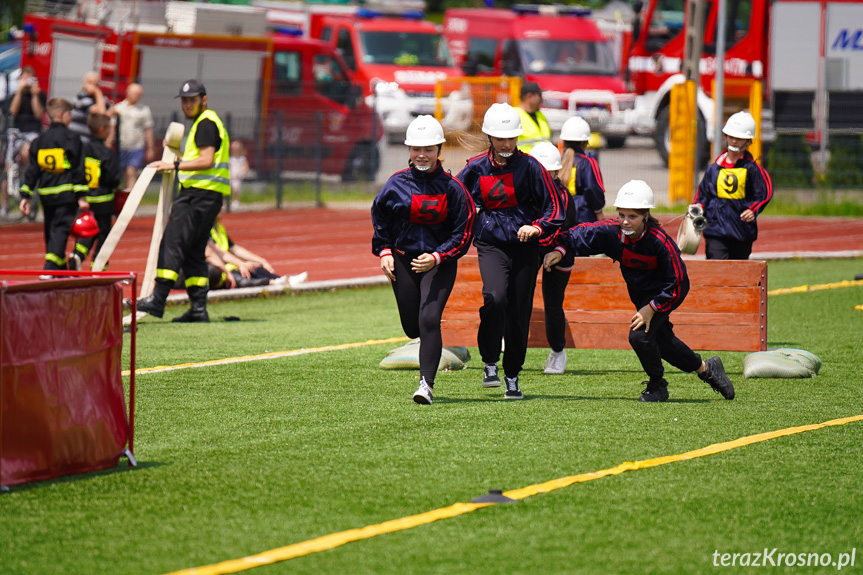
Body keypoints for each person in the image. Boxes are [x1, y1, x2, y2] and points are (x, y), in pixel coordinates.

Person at [544, 180, 736, 403]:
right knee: (663, 342)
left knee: (639, 336)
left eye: (632, 216)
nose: (625, 221)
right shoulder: (612, 233)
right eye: (622, 215)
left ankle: (658, 385)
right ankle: (707, 369)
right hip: (642, 299)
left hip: (663, 296)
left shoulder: (660, 242)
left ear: (645, 215)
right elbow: (577, 235)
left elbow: (679, 282)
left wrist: (652, 308)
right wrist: (560, 249)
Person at [457, 103, 566, 399]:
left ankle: (512, 375)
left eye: (512, 138)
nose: (507, 144)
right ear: (490, 137)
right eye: (500, 138)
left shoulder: (531, 167)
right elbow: (454, 199)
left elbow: (555, 206)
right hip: (490, 244)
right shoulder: (475, 167)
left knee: (519, 313)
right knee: (494, 298)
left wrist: (539, 227)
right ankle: (490, 360)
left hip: (525, 247)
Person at [372, 116, 476, 405]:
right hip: (404, 261)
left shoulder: (454, 189)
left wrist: (437, 256)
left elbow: (464, 232)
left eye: (428, 149)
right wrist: (384, 251)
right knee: (413, 326)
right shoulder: (394, 185)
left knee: (429, 319)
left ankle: (426, 386)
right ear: (408, 149)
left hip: (439, 262)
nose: (422, 154)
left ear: (439, 149)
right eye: (416, 148)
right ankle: (428, 346)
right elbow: (380, 219)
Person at [136, 79, 231, 323]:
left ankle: (158, 299)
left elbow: (206, 160)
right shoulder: (205, 123)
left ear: (204, 100)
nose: (188, 105)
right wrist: (177, 154)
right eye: (185, 101)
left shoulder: (206, 123)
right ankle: (199, 308)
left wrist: (172, 163)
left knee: (172, 243)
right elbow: (198, 160)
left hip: (197, 196)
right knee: (193, 252)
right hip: (208, 196)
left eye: (192, 100)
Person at [18, 98, 88, 271]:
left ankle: (60, 269)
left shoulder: (39, 141)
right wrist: (81, 196)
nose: (71, 119)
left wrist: (25, 195)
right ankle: (50, 267)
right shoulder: (72, 139)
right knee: (61, 230)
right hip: (66, 194)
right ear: (62, 115)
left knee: (50, 231)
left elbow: (33, 170)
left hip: (46, 195)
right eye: (70, 115)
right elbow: (77, 169)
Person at [692, 111, 773, 260]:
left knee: (737, 277)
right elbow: (703, 195)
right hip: (715, 231)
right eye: (731, 137)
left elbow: (765, 193)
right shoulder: (714, 168)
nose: (734, 141)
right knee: (717, 273)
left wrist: (753, 209)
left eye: (739, 138)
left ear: (748, 141)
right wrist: (697, 208)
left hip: (741, 231)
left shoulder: (752, 169)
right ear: (725, 137)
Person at [527, 142, 577, 375]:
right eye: (540, 173)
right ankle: (508, 340)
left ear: (557, 173)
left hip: (559, 251)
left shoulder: (565, 198)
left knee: (553, 303)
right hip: (530, 248)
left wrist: (557, 252)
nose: (544, 178)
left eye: (549, 173)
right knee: (515, 296)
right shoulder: (523, 193)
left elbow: (570, 233)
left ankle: (558, 352)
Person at [70, 112, 121, 270]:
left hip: (87, 199)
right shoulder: (107, 153)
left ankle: (78, 254)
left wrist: (81, 195)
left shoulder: (84, 150)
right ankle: (99, 264)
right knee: (104, 233)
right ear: (102, 130)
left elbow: (78, 173)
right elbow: (114, 178)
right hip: (104, 200)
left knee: (88, 230)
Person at [209, 215, 307, 289]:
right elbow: (219, 252)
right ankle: (274, 283)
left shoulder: (219, 227)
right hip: (222, 266)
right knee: (246, 275)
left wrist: (261, 260)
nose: (223, 207)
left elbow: (234, 248)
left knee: (256, 266)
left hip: (230, 264)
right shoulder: (206, 229)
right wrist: (241, 264)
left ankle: (284, 279)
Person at [2, 66, 46, 216]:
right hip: (16, 132)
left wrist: (34, 94)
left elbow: (39, 115)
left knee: (28, 153)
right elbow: (13, 111)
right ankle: (4, 205)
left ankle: (26, 184)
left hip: (32, 132)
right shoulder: (15, 94)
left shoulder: (39, 95)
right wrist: (20, 90)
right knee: (8, 168)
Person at [112, 83, 156, 190]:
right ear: (128, 93)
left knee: (131, 170)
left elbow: (148, 129)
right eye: (136, 94)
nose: (138, 96)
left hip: (136, 146)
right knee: (123, 172)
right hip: (121, 146)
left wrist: (150, 148)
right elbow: (112, 126)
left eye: (140, 94)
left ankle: (130, 194)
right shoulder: (118, 108)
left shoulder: (144, 110)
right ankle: (123, 194)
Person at [69, 72, 109, 143]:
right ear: (84, 84)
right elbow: (102, 114)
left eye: (96, 84)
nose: (93, 86)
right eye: (90, 83)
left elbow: (104, 117)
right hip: (78, 139)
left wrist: (97, 94)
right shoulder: (81, 97)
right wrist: (97, 93)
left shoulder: (101, 98)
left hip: (90, 141)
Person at [515, 81, 551, 153]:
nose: (541, 100)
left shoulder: (540, 115)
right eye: (539, 95)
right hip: (525, 161)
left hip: (544, 160)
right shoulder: (514, 115)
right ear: (529, 96)